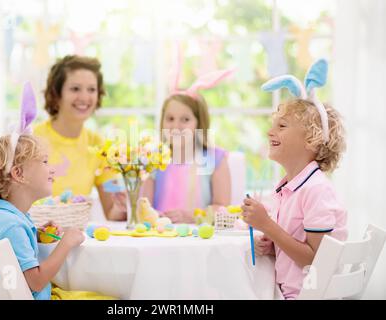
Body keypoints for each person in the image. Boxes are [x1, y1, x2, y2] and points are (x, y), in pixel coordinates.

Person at [0, 84, 113, 300]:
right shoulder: (12, 225)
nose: (53, 169)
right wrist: (65, 243)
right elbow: (36, 281)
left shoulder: (6, 217)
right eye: (45, 162)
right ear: (19, 174)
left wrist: (37, 233)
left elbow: (17, 253)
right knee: (109, 298)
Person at [241, 60, 347, 299]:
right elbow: (298, 245)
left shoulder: (316, 190)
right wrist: (274, 247)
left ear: (311, 139)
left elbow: (316, 261)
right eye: (272, 125)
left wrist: (267, 225)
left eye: (282, 126)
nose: (270, 132)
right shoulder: (289, 187)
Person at [34, 55, 126, 221]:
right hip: (34, 238)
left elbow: (112, 211)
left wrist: (127, 205)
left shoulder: (99, 145)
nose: (84, 97)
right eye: (75, 89)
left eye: (91, 89)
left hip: (75, 238)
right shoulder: (33, 140)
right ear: (56, 94)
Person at [141, 69, 233, 223]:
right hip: (159, 237)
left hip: (201, 239)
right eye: (170, 118)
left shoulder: (215, 158)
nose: (176, 126)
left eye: (185, 119)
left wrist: (192, 216)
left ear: (199, 123)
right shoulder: (153, 159)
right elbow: (144, 206)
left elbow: (223, 208)